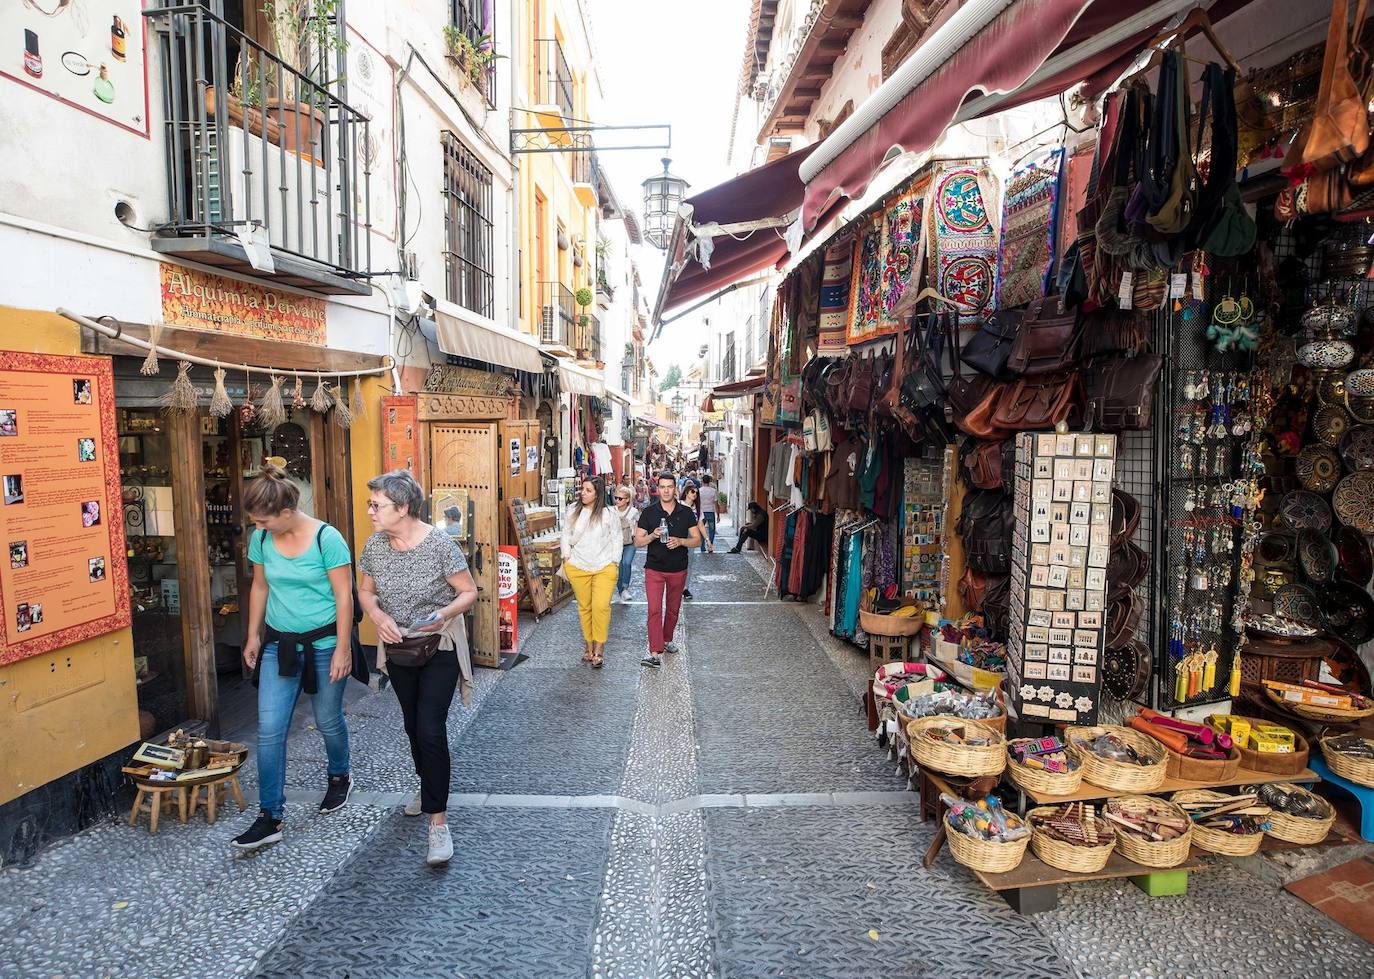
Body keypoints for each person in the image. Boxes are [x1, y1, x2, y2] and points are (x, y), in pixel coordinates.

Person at [358, 470, 479, 866]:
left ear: (403, 508)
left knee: (430, 727)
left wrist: (441, 614)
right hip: (399, 647)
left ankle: (437, 822)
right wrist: (376, 614)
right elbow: (365, 591)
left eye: (377, 505)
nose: (371, 511)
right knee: (412, 725)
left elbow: (469, 592)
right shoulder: (375, 546)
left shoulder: (441, 544)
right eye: (371, 504)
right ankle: (428, 783)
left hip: (439, 643)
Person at [232, 464, 354, 852]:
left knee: (327, 720)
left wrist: (343, 647)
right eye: (255, 521)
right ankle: (271, 815)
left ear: (287, 513)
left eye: (264, 520)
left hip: (323, 644)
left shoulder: (326, 538)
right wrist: (252, 636)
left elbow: (343, 596)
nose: (259, 526)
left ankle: (339, 776)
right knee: (269, 730)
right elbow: (260, 587)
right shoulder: (261, 539)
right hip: (279, 645)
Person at [635, 473, 701, 668]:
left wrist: (681, 541)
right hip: (654, 568)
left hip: (678, 569)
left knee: (672, 610)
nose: (665, 490)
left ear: (675, 489)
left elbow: (697, 540)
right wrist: (652, 536)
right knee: (654, 610)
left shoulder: (686, 512)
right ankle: (655, 653)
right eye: (662, 487)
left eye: (669, 487)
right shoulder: (649, 512)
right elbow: (638, 541)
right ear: (658, 489)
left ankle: (666, 639)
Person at [560, 477, 622, 668]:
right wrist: (566, 558)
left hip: (604, 567)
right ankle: (588, 647)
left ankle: (599, 648)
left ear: (598, 494)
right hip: (578, 565)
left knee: (601, 607)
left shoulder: (609, 513)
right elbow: (566, 534)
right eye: (583, 489)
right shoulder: (573, 510)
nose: (583, 493)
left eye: (588, 490)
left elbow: (617, 537)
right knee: (584, 608)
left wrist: (614, 562)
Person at [612, 485, 640, 604]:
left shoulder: (633, 511)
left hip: (630, 542)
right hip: (615, 544)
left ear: (628, 499)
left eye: (620, 498)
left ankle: (625, 588)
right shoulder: (611, 511)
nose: (617, 500)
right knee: (618, 566)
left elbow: (638, 526)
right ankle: (620, 591)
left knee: (626, 563)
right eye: (616, 498)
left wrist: (637, 538)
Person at [697, 475, 718, 554]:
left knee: (702, 530)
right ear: (709, 481)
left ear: (702, 481)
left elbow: (697, 503)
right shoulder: (713, 491)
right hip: (711, 512)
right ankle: (710, 546)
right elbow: (716, 503)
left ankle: (702, 547)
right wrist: (718, 514)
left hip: (702, 512)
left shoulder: (699, 491)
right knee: (712, 530)